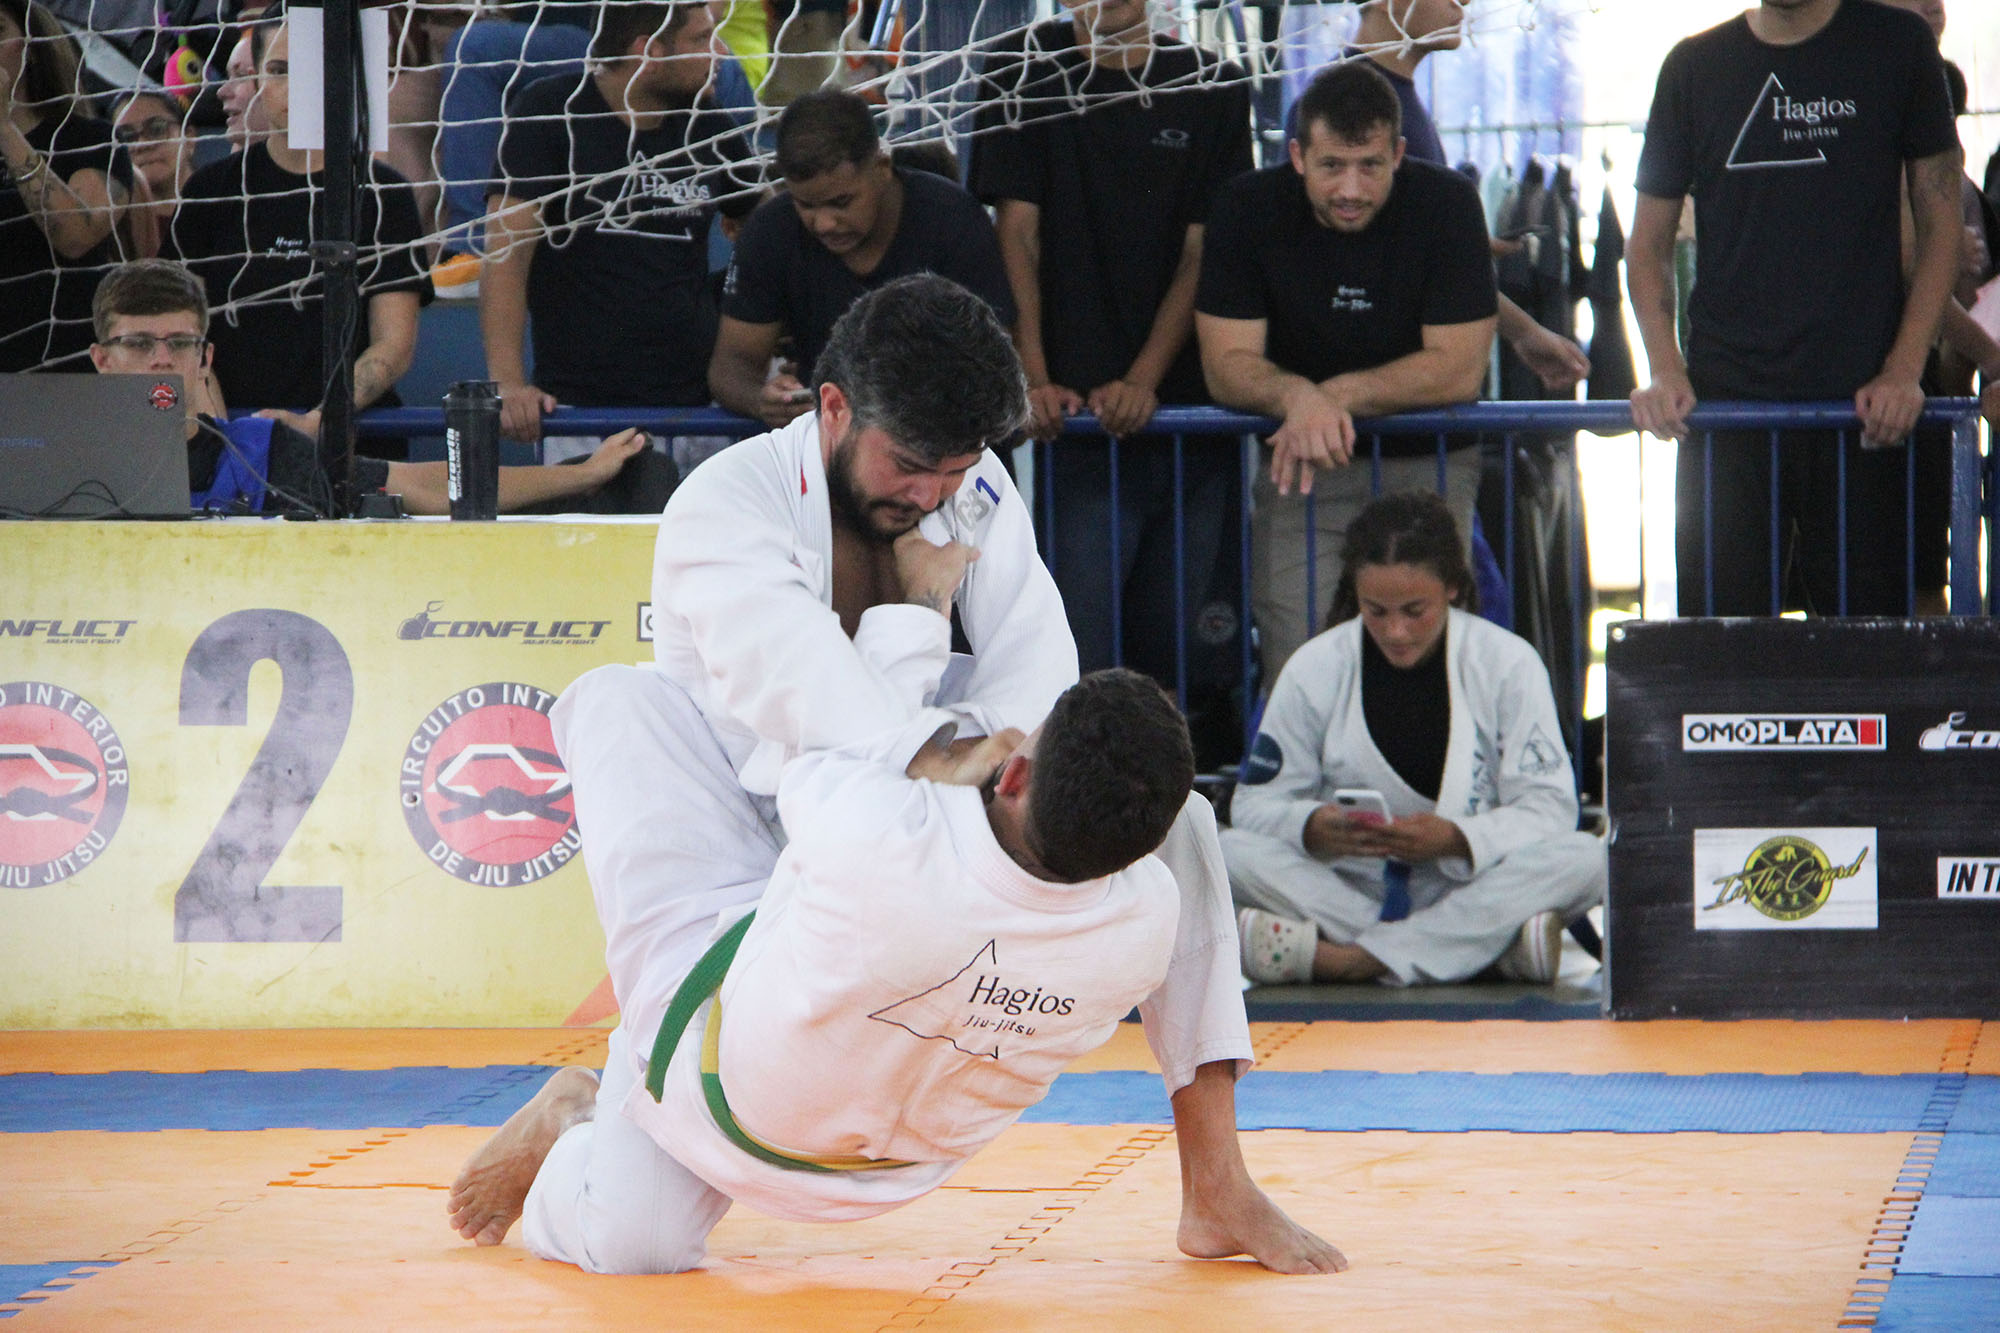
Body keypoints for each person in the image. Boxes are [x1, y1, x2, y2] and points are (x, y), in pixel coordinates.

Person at [496, 274, 1341, 1274]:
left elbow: (1039, 684)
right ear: (833, 407)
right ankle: (576, 1117)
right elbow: (827, 719)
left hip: (903, 824)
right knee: (636, 1243)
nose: (931, 495)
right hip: (734, 840)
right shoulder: (727, 507)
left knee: (1176, 823)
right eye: (906, 465)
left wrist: (981, 754)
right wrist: (924, 627)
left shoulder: (971, 487)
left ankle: (1216, 1182)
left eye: (954, 470)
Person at [445, 668, 1254, 1274]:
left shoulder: (885, 835)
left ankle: (577, 1112)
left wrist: (918, 620)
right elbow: (1173, 822)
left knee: (623, 703)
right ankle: (1216, 1175)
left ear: (1011, 776)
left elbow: (814, 753)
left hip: (705, 1047)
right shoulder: (1149, 923)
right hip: (878, 1141)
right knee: (636, 1248)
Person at [1626, 0, 1961, 616]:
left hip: (1864, 410)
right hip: (1728, 410)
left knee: (1865, 649)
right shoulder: (1693, 68)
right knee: (1722, 646)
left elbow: (1941, 224)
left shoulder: (1899, 47)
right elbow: (1646, 244)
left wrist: (1904, 368)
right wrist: (1665, 368)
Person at [977, 0, 1250, 746]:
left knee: (1180, 661)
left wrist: (1145, 380)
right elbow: (1016, 232)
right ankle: (1079, 798)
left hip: (1187, 424)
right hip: (1073, 431)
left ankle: (1175, 800)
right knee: (1080, 659)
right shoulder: (1021, 69)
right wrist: (1033, 377)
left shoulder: (1212, 84)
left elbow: (1203, 250)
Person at [1222, 489, 1605, 986]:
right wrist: (1309, 825)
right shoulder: (1314, 667)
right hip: (1351, 889)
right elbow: (1253, 806)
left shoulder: (1508, 663)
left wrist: (1458, 838)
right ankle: (1486, 951)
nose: (1396, 631)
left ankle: (1348, 960)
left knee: (1590, 859)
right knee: (1227, 852)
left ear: (1452, 587)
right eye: (1376, 611)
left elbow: (1551, 809)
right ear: (1355, 594)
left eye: (1414, 610)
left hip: (1471, 883)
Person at [1196, 60, 1498, 678]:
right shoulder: (1247, 206)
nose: (1351, 189)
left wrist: (1327, 397)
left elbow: (1460, 371)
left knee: (1427, 667)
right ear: (1297, 156)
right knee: (1300, 666)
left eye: (1371, 166)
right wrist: (1297, 400)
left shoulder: (1448, 203)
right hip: (1302, 469)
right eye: (1333, 166)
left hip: (1430, 467)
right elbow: (1225, 365)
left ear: (1400, 154)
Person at [88, 258, 656, 516]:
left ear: (205, 357)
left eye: (179, 342)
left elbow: (420, 486)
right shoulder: (57, 460)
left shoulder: (260, 453)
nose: (161, 359)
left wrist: (580, 475)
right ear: (101, 360)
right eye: (138, 343)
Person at [481, 0, 760, 463]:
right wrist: (507, 384)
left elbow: (768, 228)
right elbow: (507, 256)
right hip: (581, 414)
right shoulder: (552, 112)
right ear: (648, 50)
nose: (720, 53)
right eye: (701, 39)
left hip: (698, 412)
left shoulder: (708, 123)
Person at [168, 4, 432, 453]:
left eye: (311, 69)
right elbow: (180, 332)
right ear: (257, 80)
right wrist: (227, 431)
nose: (294, 87)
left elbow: (393, 345)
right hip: (231, 440)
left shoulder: (384, 194)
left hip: (353, 443)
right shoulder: (210, 192)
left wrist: (320, 420)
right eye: (278, 70)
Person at [1300, 0, 1591, 395]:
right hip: (1368, 406)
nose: (1463, 3)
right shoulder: (1338, 105)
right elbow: (1377, 259)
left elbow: (1413, 249)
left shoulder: (1393, 98)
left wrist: (1467, 246)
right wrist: (1524, 332)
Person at [708, 90, 1016, 429]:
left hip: (948, 438)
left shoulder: (952, 220)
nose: (824, 223)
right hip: (830, 441)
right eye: (806, 205)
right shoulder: (771, 230)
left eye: (841, 202)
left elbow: (993, 359)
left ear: (882, 168)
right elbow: (731, 365)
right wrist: (761, 400)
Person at [0, 0, 132, 372]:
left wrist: (4, 126)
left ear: (32, 46)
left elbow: (76, 234)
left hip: (67, 362)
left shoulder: (90, 139)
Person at [112, 88, 195, 258]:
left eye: (156, 129)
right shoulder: (111, 228)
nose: (141, 144)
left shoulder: (225, 206)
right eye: (125, 137)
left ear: (189, 138)